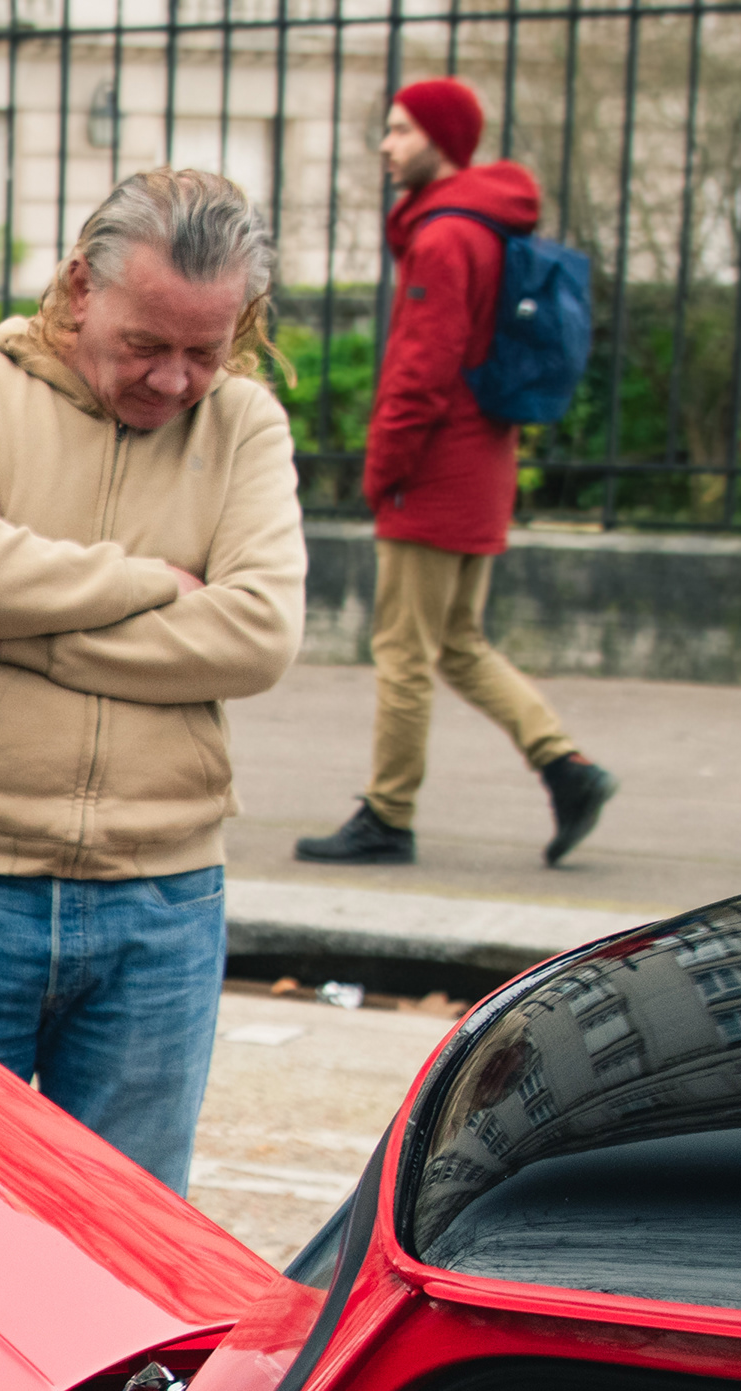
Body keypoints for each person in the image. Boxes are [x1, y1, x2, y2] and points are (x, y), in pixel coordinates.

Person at [0, 167, 307, 1197]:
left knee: (128, 1248)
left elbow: (256, 634)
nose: (174, 381)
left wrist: (17, 626)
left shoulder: (245, 424)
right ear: (81, 288)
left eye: (206, 350)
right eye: (146, 344)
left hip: (161, 898)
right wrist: (152, 585)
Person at [296, 79, 619, 870]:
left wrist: (383, 470)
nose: (387, 144)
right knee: (459, 643)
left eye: (402, 131)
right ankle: (567, 768)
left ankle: (387, 814)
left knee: (404, 652)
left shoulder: (444, 238)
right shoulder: (484, 226)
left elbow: (421, 370)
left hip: (437, 469)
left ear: (443, 140)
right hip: (483, 463)